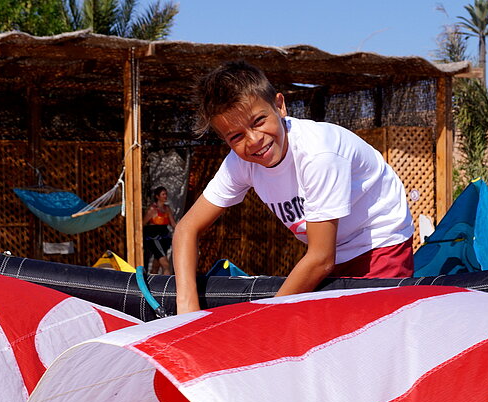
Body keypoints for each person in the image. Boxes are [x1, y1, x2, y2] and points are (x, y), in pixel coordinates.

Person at [173, 61, 414, 314]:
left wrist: (264, 317)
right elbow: (186, 229)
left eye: (258, 121)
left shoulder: (319, 153)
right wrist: (186, 309)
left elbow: (321, 259)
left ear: (279, 106)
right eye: (236, 136)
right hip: (330, 253)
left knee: (371, 326)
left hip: (379, 244)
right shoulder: (239, 163)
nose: (254, 140)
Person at [143, 186, 177, 275]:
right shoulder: (152, 209)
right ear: (157, 196)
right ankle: (168, 286)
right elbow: (143, 223)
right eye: (163, 194)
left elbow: (173, 224)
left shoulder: (167, 209)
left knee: (156, 264)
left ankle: (151, 283)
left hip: (164, 237)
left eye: (166, 194)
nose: (165, 196)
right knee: (165, 264)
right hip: (154, 237)